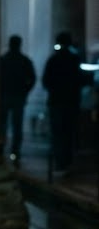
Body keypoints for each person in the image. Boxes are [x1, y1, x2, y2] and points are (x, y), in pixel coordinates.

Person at [42, 31, 86, 175]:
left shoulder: (53, 60)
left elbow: (46, 81)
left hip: (56, 102)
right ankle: (66, 160)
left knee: (57, 133)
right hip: (71, 102)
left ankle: (60, 162)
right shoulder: (74, 59)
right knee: (68, 132)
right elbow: (81, 80)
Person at [0, 34, 36, 164]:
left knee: (4, 125)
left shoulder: (3, 60)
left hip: (6, 97)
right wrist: (25, 91)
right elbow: (32, 79)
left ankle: (2, 150)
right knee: (16, 126)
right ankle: (14, 152)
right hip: (17, 97)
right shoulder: (24, 61)